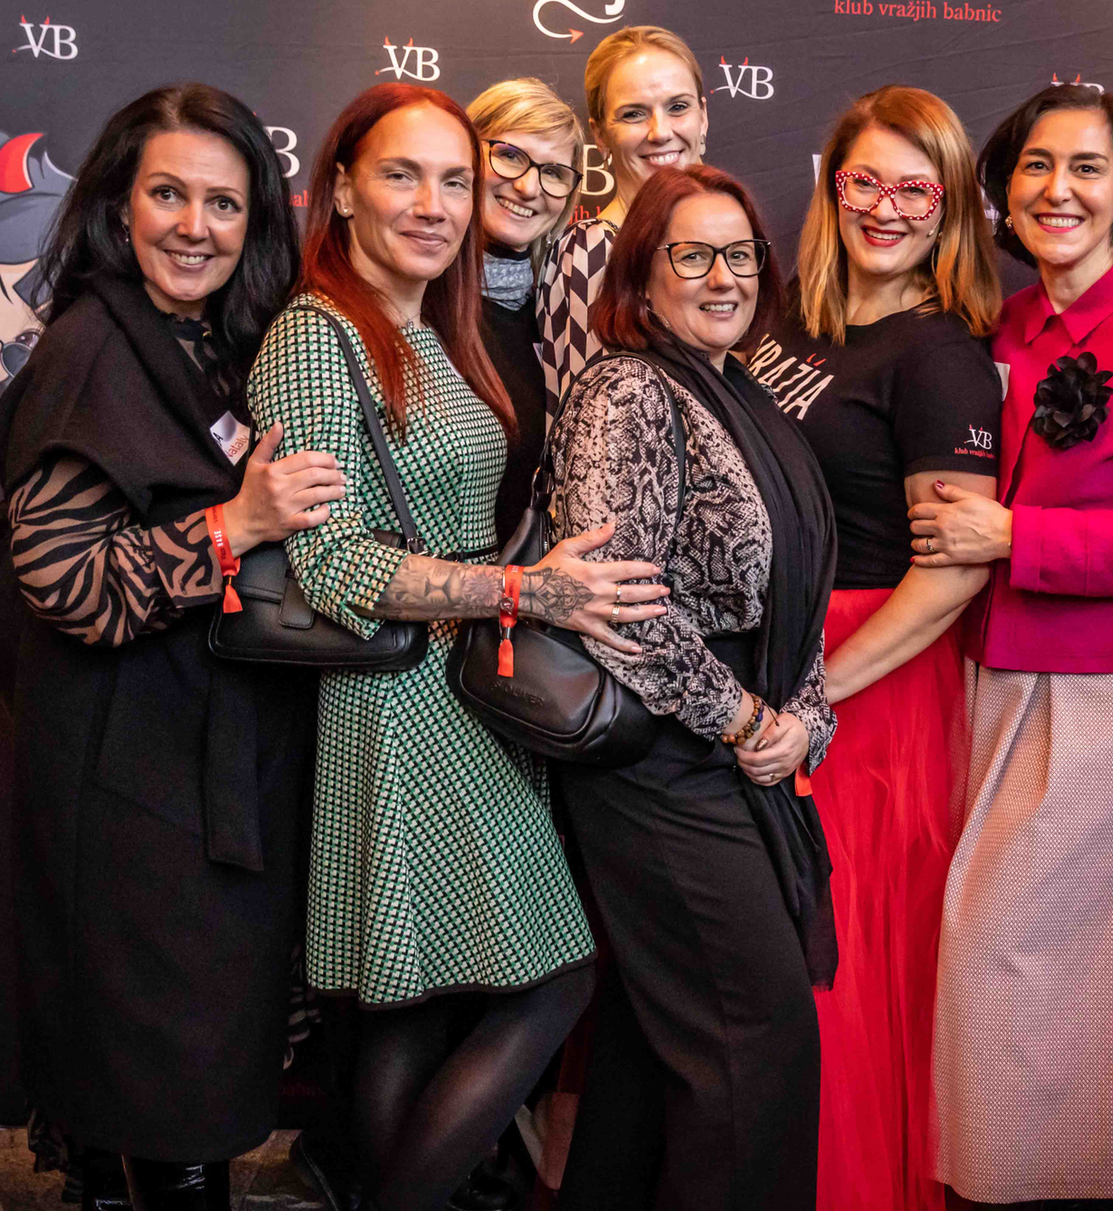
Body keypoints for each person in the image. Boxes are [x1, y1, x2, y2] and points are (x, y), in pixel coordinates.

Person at [245, 82, 667, 1211]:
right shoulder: (316, 335)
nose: (433, 204)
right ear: (341, 190)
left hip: (454, 695)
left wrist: (525, 567)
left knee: (415, 1009)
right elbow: (335, 565)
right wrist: (525, 590)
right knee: (555, 980)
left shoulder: (427, 324)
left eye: (453, 181)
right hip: (396, 704)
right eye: (402, 174)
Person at [910, 83, 1113, 1206]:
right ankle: (987, 1180)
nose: (1059, 189)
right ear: (1003, 192)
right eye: (1037, 166)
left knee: (1019, 951)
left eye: (1088, 167)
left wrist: (1019, 534)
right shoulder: (1006, 321)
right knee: (1003, 960)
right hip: (990, 673)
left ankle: (1039, 1183)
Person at [1, 83, 316, 1207]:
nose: (195, 227)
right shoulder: (93, 347)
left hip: (195, 773)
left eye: (223, 204)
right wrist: (234, 526)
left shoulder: (209, 343)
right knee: (173, 1093)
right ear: (118, 207)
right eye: (168, 195)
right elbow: (64, 580)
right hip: (130, 793)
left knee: (159, 1089)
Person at [547, 165, 837, 1210]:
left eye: (742, 254)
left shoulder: (745, 391)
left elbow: (796, 586)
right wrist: (747, 718)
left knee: (649, 1056)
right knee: (756, 1046)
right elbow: (618, 603)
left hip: (736, 749)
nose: (725, 277)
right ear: (643, 273)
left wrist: (806, 718)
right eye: (694, 255)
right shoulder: (627, 389)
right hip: (657, 760)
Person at [751, 84, 1000, 1211]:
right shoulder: (779, 315)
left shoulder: (938, 355)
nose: (886, 208)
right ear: (831, 185)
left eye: (916, 189)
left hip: (866, 681)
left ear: (947, 208)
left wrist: (817, 693)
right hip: (763, 663)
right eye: (866, 181)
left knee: (837, 961)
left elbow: (952, 569)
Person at [538, 25, 707, 413]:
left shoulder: (730, 248)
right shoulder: (591, 253)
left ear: (703, 117)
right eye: (634, 114)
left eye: (678, 107)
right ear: (600, 135)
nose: (660, 132)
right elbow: (591, 431)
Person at [466, 77, 584, 541]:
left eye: (553, 172)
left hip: (529, 581)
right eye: (510, 155)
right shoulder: (412, 302)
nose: (528, 186)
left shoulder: (558, 312)